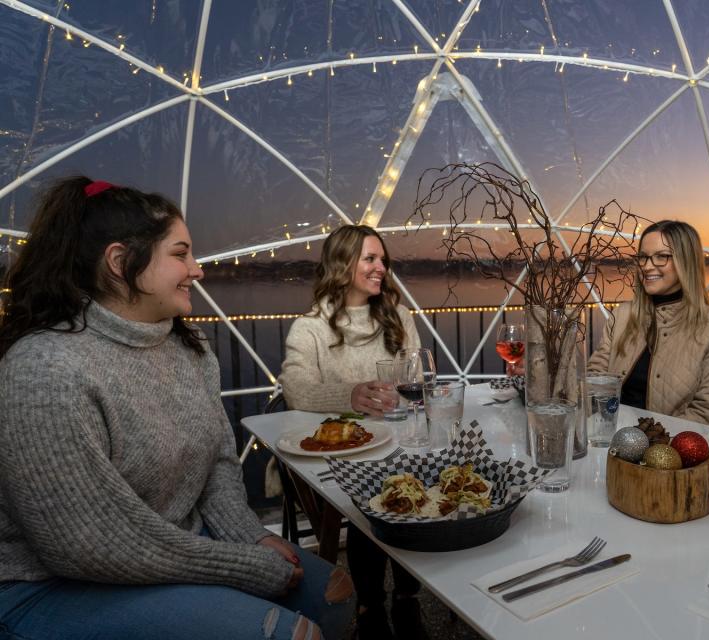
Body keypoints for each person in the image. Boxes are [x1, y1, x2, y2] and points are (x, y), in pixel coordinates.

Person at [0, 177, 354, 640]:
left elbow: (217, 466)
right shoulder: (45, 369)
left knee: (336, 594)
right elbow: (86, 544)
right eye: (180, 253)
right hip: (54, 583)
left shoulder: (190, 348)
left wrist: (252, 534)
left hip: (176, 543)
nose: (198, 270)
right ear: (120, 261)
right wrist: (240, 564)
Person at [278, 225, 426, 640]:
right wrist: (350, 395)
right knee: (372, 495)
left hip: (397, 438)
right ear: (343, 264)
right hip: (341, 449)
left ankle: (406, 598)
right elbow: (296, 389)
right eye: (370, 259)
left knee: (415, 475)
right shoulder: (310, 328)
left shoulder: (397, 317)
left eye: (383, 260)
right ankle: (372, 605)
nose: (381, 267)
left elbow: (417, 380)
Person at [588, 220, 709, 427]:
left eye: (662, 257)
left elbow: (707, 413)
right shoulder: (622, 315)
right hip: (609, 436)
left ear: (686, 262)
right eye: (643, 257)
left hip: (669, 451)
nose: (648, 266)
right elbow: (596, 376)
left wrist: (652, 444)